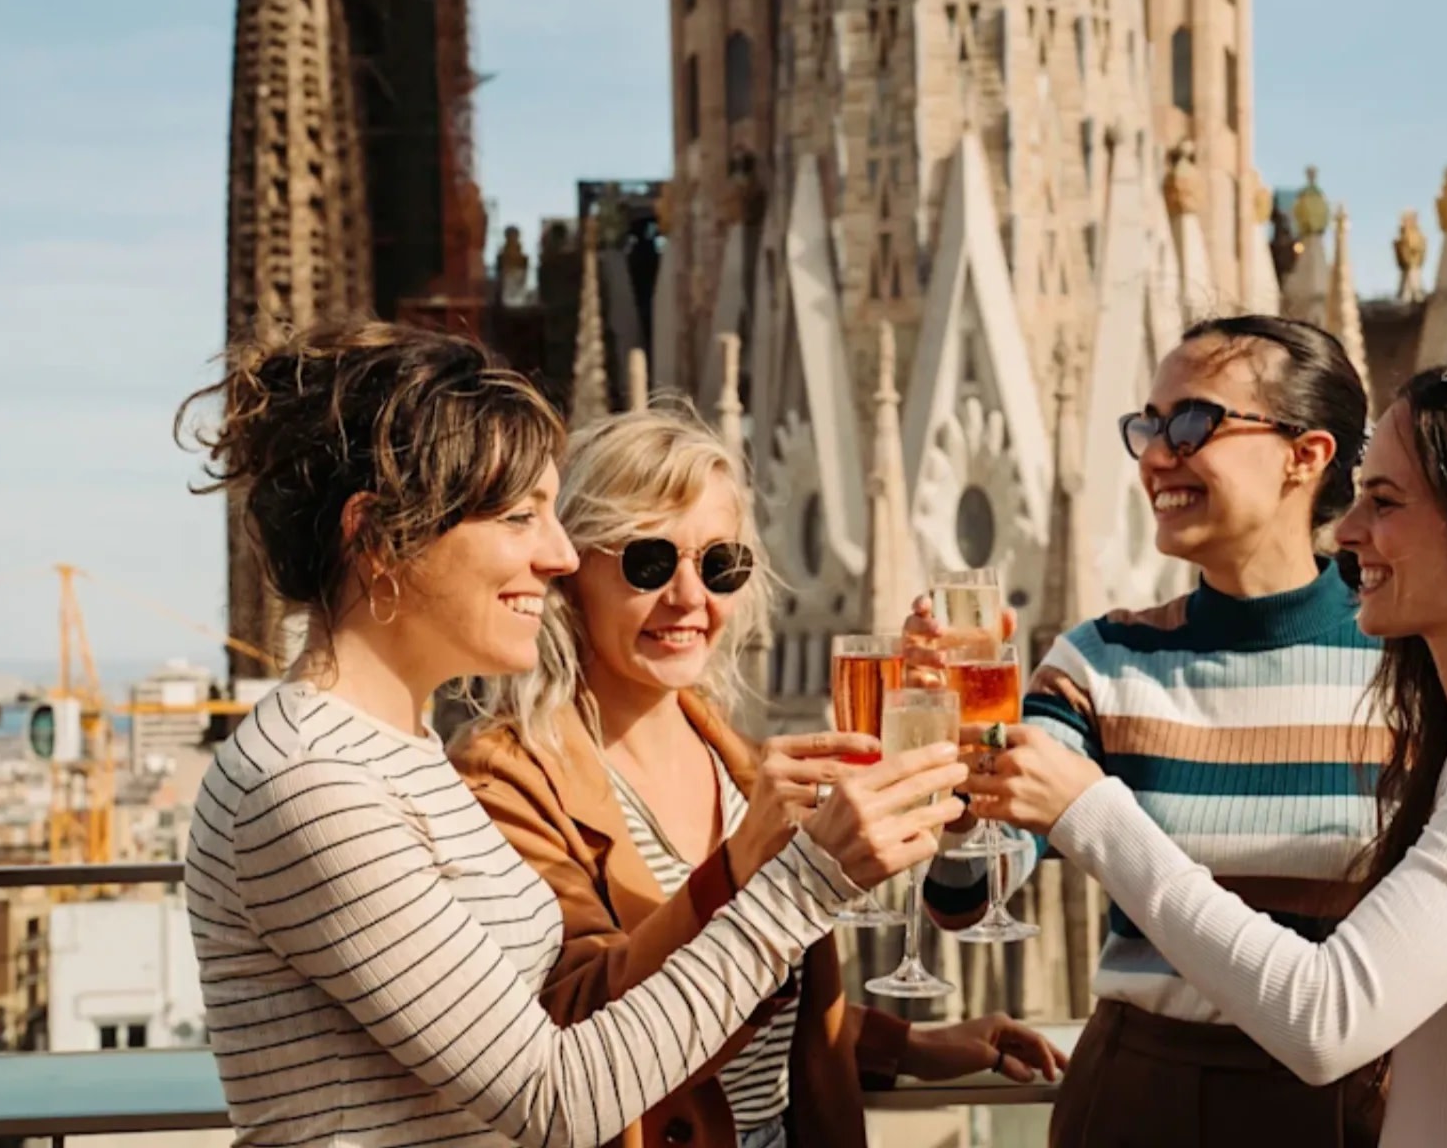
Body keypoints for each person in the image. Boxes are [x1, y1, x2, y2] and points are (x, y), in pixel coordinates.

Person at [176, 322, 968, 1148]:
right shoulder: (313, 784)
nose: (558, 557)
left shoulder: (392, 751)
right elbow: (558, 1099)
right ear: (377, 539)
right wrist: (807, 881)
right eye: (521, 517)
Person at [964, 347, 1447, 1148]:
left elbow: (1326, 1016)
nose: (1351, 530)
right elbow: (968, 884)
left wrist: (1093, 814)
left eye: (1386, 501)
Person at [456, 407, 1065, 1148]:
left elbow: (768, 987)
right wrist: (747, 861)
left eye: (719, 565)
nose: (689, 598)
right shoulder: (506, 775)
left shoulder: (739, 761)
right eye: (649, 562)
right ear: (570, 569)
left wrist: (910, 1047)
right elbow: (576, 1029)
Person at [910, 315, 1387, 1147]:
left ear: (1305, 457)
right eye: (1148, 426)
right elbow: (970, 898)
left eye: (1194, 423)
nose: (1158, 455)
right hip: (1140, 1096)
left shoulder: (1408, 662)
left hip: (1346, 1102)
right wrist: (960, 777)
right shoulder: (1104, 657)